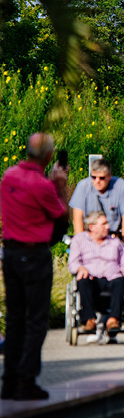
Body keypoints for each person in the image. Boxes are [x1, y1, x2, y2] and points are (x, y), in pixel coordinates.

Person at [1, 133, 68, 401]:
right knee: (36, 320)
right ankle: (25, 381)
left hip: (11, 254)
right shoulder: (42, 186)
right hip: (35, 254)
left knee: (15, 319)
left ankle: (8, 381)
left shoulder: (9, 176)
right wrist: (60, 186)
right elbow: (61, 216)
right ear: (49, 156)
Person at [67, 211, 124, 334]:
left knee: (121, 281)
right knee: (82, 281)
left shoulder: (115, 242)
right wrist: (80, 268)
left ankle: (113, 320)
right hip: (91, 278)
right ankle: (89, 320)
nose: (108, 227)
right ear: (92, 227)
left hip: (112, 278)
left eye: (107, 223)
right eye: (103, 224)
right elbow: (73, 262)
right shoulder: (79, 240)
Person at [70, 158, 124, 246]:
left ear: (109, 176)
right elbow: (77, 217)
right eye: (94, 177)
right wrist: (81, 243)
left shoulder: (121, 187)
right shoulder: (83, 186)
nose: (97, 181)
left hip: (113, 237)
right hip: (89, 236)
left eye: (102, 178)